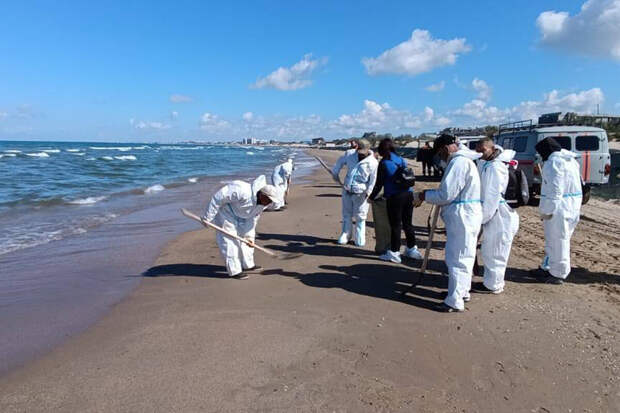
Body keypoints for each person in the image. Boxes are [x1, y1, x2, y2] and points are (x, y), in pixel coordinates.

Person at [415, 134, 482, 312]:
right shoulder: (463, 161)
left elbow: (445, 195)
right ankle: (461, 292)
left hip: (463, 216)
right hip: (466, 215)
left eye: (439, 153)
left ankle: (455, 300)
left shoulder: (459, 163)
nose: (440, 157)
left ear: (445, 148)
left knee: (457, 257)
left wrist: (423, 195)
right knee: (464, 255)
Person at [203, 176, 279, 279]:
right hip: (227, 213)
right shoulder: (242, 190)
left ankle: (248, 265)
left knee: (249, 239)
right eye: (269, 200)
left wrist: (248, 234)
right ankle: (234, 270)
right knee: (230, 240)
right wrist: (208, 217)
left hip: (247, 216)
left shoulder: (265, 203)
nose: (270, 203)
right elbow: (218, 198)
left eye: (271, 201)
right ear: (262, 195)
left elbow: (255, 216)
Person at [472, 138, 520, 294]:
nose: (480, 153)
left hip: (500, 215)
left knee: (495, 251)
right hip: (496, 213)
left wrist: (480, 220)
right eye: (478, 151)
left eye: (483, 150)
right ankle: (492, 282)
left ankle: (493, 285)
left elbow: (491, 195)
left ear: (492, 149)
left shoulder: (495, 167)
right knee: (491, 249)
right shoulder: (489, 164)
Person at [532, 137, 582, 284]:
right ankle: (548, 266)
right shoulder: (570, 160)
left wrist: (547, 210)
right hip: (571, 205)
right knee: (556, 240)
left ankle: (558, 273)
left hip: (559, 207)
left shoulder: (553, 163)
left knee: (559, 241)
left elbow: (555, 190)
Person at [369, 138, 423, 263]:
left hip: (394, 197)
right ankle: (412, 249)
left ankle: (394, 252)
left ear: (381, 150)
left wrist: (371, 197)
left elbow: (379, 184)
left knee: (395, 225)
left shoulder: (384, 163)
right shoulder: (401, 159)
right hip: (408, 194)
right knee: (408, 223)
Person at [331, 138, 378, 246]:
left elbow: (373, 180)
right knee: (346, 214)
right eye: (359, 152)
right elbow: (339, 163)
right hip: (347, 189)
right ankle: (346, 234)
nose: (361, 154)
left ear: (368, 150)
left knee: (360, 216)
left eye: (363, 152)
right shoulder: (349, 154)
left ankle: (359, 237)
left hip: (361, 193)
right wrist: (335, 173)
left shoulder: (373, 162)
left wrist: (369, 192)